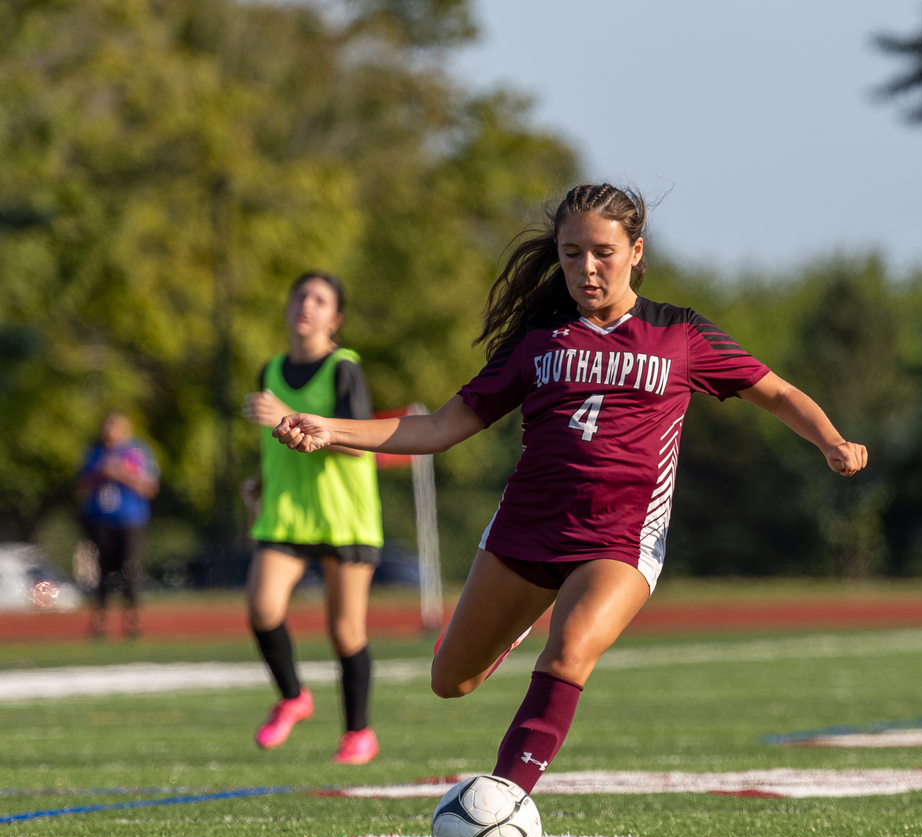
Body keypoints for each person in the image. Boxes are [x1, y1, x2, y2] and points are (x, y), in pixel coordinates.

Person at [270, 183, 866, 796]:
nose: (586, 267)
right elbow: (443, 427)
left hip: (622, 537)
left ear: (637, 251)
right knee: (450, 681)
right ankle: (515, 630)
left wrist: (829, 441)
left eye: (603, 252)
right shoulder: (538, 337)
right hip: (526, 528)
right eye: (571, 252)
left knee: (569, 651)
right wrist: (333, 430)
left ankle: (503, 802)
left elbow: (778, 392)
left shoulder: (680, 335)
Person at [241, 271, 384, 765]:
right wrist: (259, 481)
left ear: (335, 318)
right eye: (300, 295)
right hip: (286, 514)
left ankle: (359, 733)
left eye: (319, 300)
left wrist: (285, 410)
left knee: (345, 631)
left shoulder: (344, 369)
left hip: (343, 515)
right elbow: (278, 445)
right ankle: (293, 697)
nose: (306, 305)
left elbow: (355, 448)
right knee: (262, 606)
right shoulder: (270, 369)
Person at [76, 412, 159, 638]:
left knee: (130, 569)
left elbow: (150, 487)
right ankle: (101, 620)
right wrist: (100, 472)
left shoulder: (137, 452)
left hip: (131, 520)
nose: (109, 432)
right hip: (99, 520)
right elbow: (80, 484)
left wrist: (122, 473)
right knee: (101, 571)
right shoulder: (95, 452)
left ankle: (132, 620)